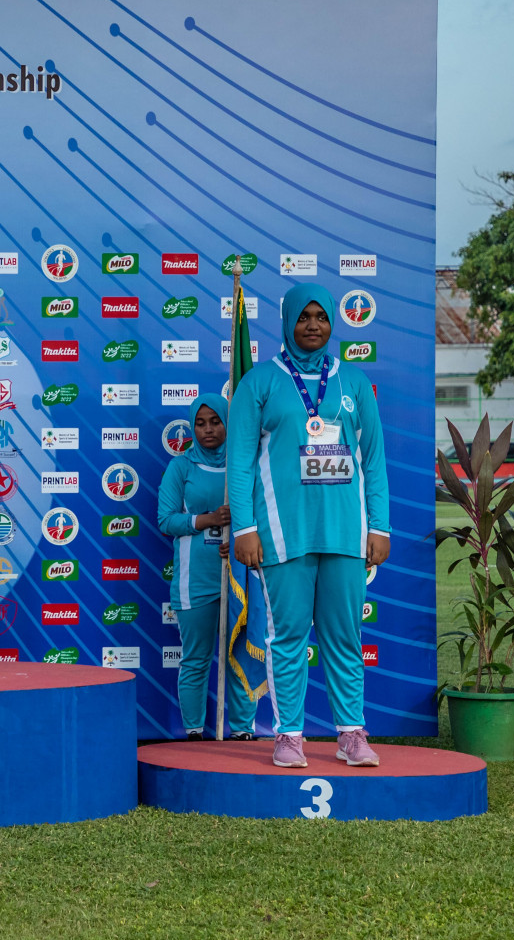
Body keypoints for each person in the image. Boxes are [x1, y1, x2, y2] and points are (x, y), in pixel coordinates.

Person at [228, 285, 390, 769]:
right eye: (304, 317)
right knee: (289, 635)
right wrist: (244, 529)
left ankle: (351, 734)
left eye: (321, 316)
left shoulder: (355, 383)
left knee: (345, 636)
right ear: (287, 322)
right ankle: (289, 736)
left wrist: (378, 526)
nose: (313, 325)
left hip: (345, 533)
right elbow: (238, 463)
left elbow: (374, 462)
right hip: (282, 534)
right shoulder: (260, 382)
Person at [156, 394, 261, 740]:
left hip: (240, 575)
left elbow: (263, 513)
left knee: (241, 655)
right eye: (200, 424)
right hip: (195, 580)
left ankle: (243, 730)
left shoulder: (245, 463)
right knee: (196, 659)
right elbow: (166, 520)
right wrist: (207, 519)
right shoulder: (181, 466)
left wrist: (242, 540)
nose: (208, 430)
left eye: (215, 421)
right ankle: (194, 733)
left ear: (229, 423)